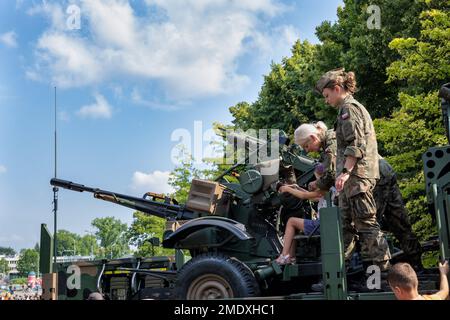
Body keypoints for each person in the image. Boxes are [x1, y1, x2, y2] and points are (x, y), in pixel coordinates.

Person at [296, 121, 422, 269]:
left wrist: (316, 184)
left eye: (306, 146)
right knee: (399, 222)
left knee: (365, 225)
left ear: (313, 137)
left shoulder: (331, 144)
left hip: (371, 178)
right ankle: (416, 266)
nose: (308, 150)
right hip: (384, 171)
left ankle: (376, 273)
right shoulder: (333, 137)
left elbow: (330, 175)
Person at [315, 68, 391, 271]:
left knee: (367, 225)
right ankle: (343, 274)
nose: (326, 100)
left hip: (357, 178)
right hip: (352, 180)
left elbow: (356, 144)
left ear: (337, 88)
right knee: (344, 227)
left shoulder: (349, 109)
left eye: (327, 95)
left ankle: (382, 274)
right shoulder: (347, 110)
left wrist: (346, 172)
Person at [275, 122, 336, 265]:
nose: (315, 181)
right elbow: (315, 198)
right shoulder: (329, 189)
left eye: (317, 178)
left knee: (291, 221)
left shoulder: (325, 187)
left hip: (323, 225)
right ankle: (291, 256)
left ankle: (285, 256)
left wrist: (288, 189)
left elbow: (307, 196)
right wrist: (296, 186)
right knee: (294, 221)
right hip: (325, 223)